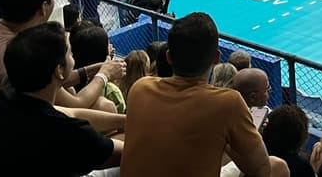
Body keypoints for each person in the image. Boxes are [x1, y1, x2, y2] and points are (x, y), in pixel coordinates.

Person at [122, 12, 287, 177]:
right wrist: (230, 141)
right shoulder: (229, 103)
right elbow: (261, 170)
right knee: (277, 166)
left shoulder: (140, 88)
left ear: (169, 57)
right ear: (216, 58)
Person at [0, 22, 123, 175]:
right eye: (70, 53)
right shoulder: (66, 131)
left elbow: (71, 112)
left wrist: (126, 120)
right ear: (59, 70)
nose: (73, 57)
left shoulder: (6, 97)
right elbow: (126, 153)